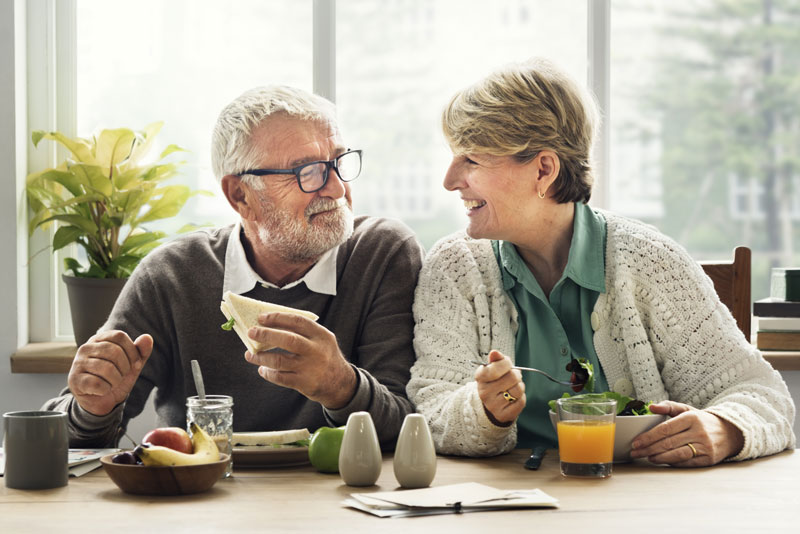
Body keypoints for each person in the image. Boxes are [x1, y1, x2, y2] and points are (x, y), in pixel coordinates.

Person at [407, 58, 795, 466]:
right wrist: (483, 410)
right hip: (502, 509)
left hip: (640, 507)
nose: (450, 180)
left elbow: (760, 393)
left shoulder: (652, 261)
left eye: (471, 159)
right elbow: (430, 409)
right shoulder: (455, 267)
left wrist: (726, 427)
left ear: (543, 169)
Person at [44, 85, 423, 449]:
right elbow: (67, 443)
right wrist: (92, 408)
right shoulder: (172, 275)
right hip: (198, 499)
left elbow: (409, 430)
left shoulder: (382, 254)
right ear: (240, 195)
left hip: (338, 499)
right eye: (308, 172)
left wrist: (340, 385)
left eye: (338, 162)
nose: (338, 189)